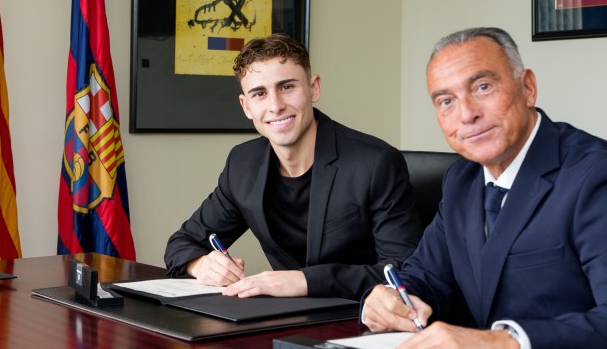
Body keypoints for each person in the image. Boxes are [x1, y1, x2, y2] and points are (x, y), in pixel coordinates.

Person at [362, 27, 607, 349]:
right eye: (446, 101)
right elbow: (423, 278)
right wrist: (388, 300)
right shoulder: (462, 180)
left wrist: (503, 344)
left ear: (527, 87)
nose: (466, 114)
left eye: (482, 87)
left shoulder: (601, 178)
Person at [164, 33, 422, 299]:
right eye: (259, 93)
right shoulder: (243, 164)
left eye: (287, 87)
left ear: (314, 88)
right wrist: (201, 264)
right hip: (285, 319)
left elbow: (404, 270)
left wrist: (305, 281)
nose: (275, 106)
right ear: (246, 106)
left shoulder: (375, 162)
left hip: (361, 317)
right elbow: (181, 243)